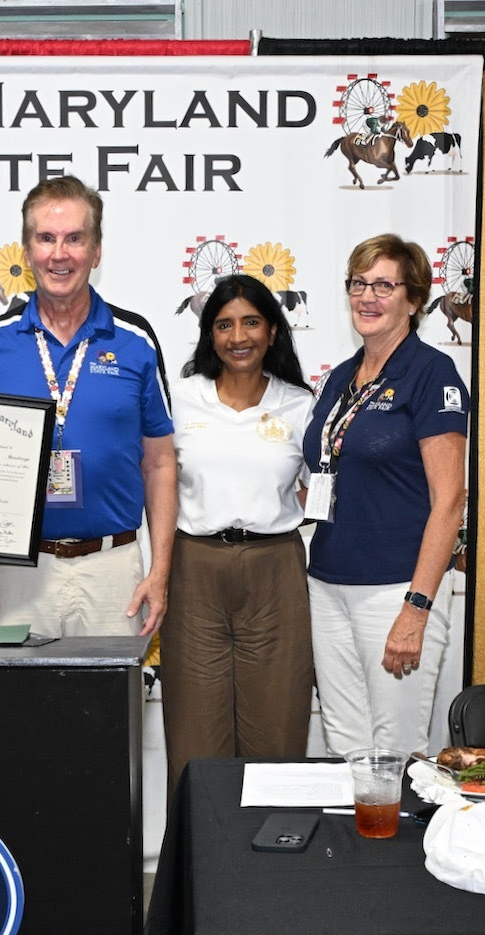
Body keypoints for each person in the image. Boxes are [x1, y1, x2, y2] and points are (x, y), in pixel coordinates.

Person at [0, 175, 175, 639]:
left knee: (110, 713)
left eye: (75, 238)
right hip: (15, 572)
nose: (60, 254)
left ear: (96, 251)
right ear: (26, 252)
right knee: (17, 713)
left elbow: (160, 462)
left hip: (114, 569)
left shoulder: (135, 340)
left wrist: (159, 571)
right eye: (46, 238)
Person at [301, 233, 468, 757]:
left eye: (384, 285)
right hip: (327, 583)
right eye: (358, 283)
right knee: (346, 744)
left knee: (396, 750)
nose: (367, 297)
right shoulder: (342, 378)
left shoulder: (431, 373)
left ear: (414, 300)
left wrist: (416, 608)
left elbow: (450, 500)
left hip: (396, 588)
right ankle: (356, 843)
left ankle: (399, 842)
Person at [161, 275, 315, 794]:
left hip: (275, 572)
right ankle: (201, 867)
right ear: (209, 336)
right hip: (194, 570)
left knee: (277, 729)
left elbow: (324, 490)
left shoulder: (301, 405)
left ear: (272, 331)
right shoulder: (179, 400)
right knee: (193, 735)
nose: (238, 336)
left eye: (251, 322)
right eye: (224, 325)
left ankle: (273, 865)